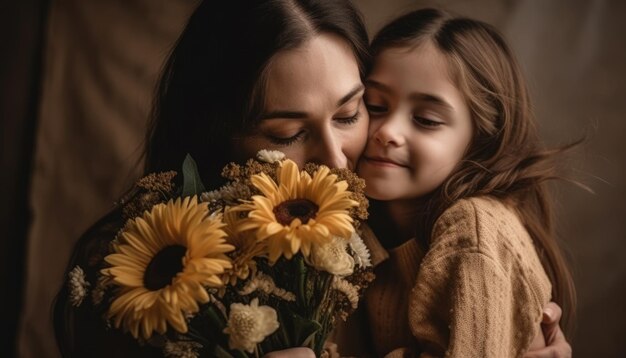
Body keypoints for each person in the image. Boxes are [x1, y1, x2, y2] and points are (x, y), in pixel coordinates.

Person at [53, 1, 570, 357]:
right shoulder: (145, 278)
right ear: (217, 137)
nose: (338, 162)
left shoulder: (386, 239)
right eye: (288, 132)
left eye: (350, 114)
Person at [348, 7, 575, 357]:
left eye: (425, 119)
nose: (388, 132)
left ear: (481, 139)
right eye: (375, 105)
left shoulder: (474, 227)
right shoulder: (356, 224)